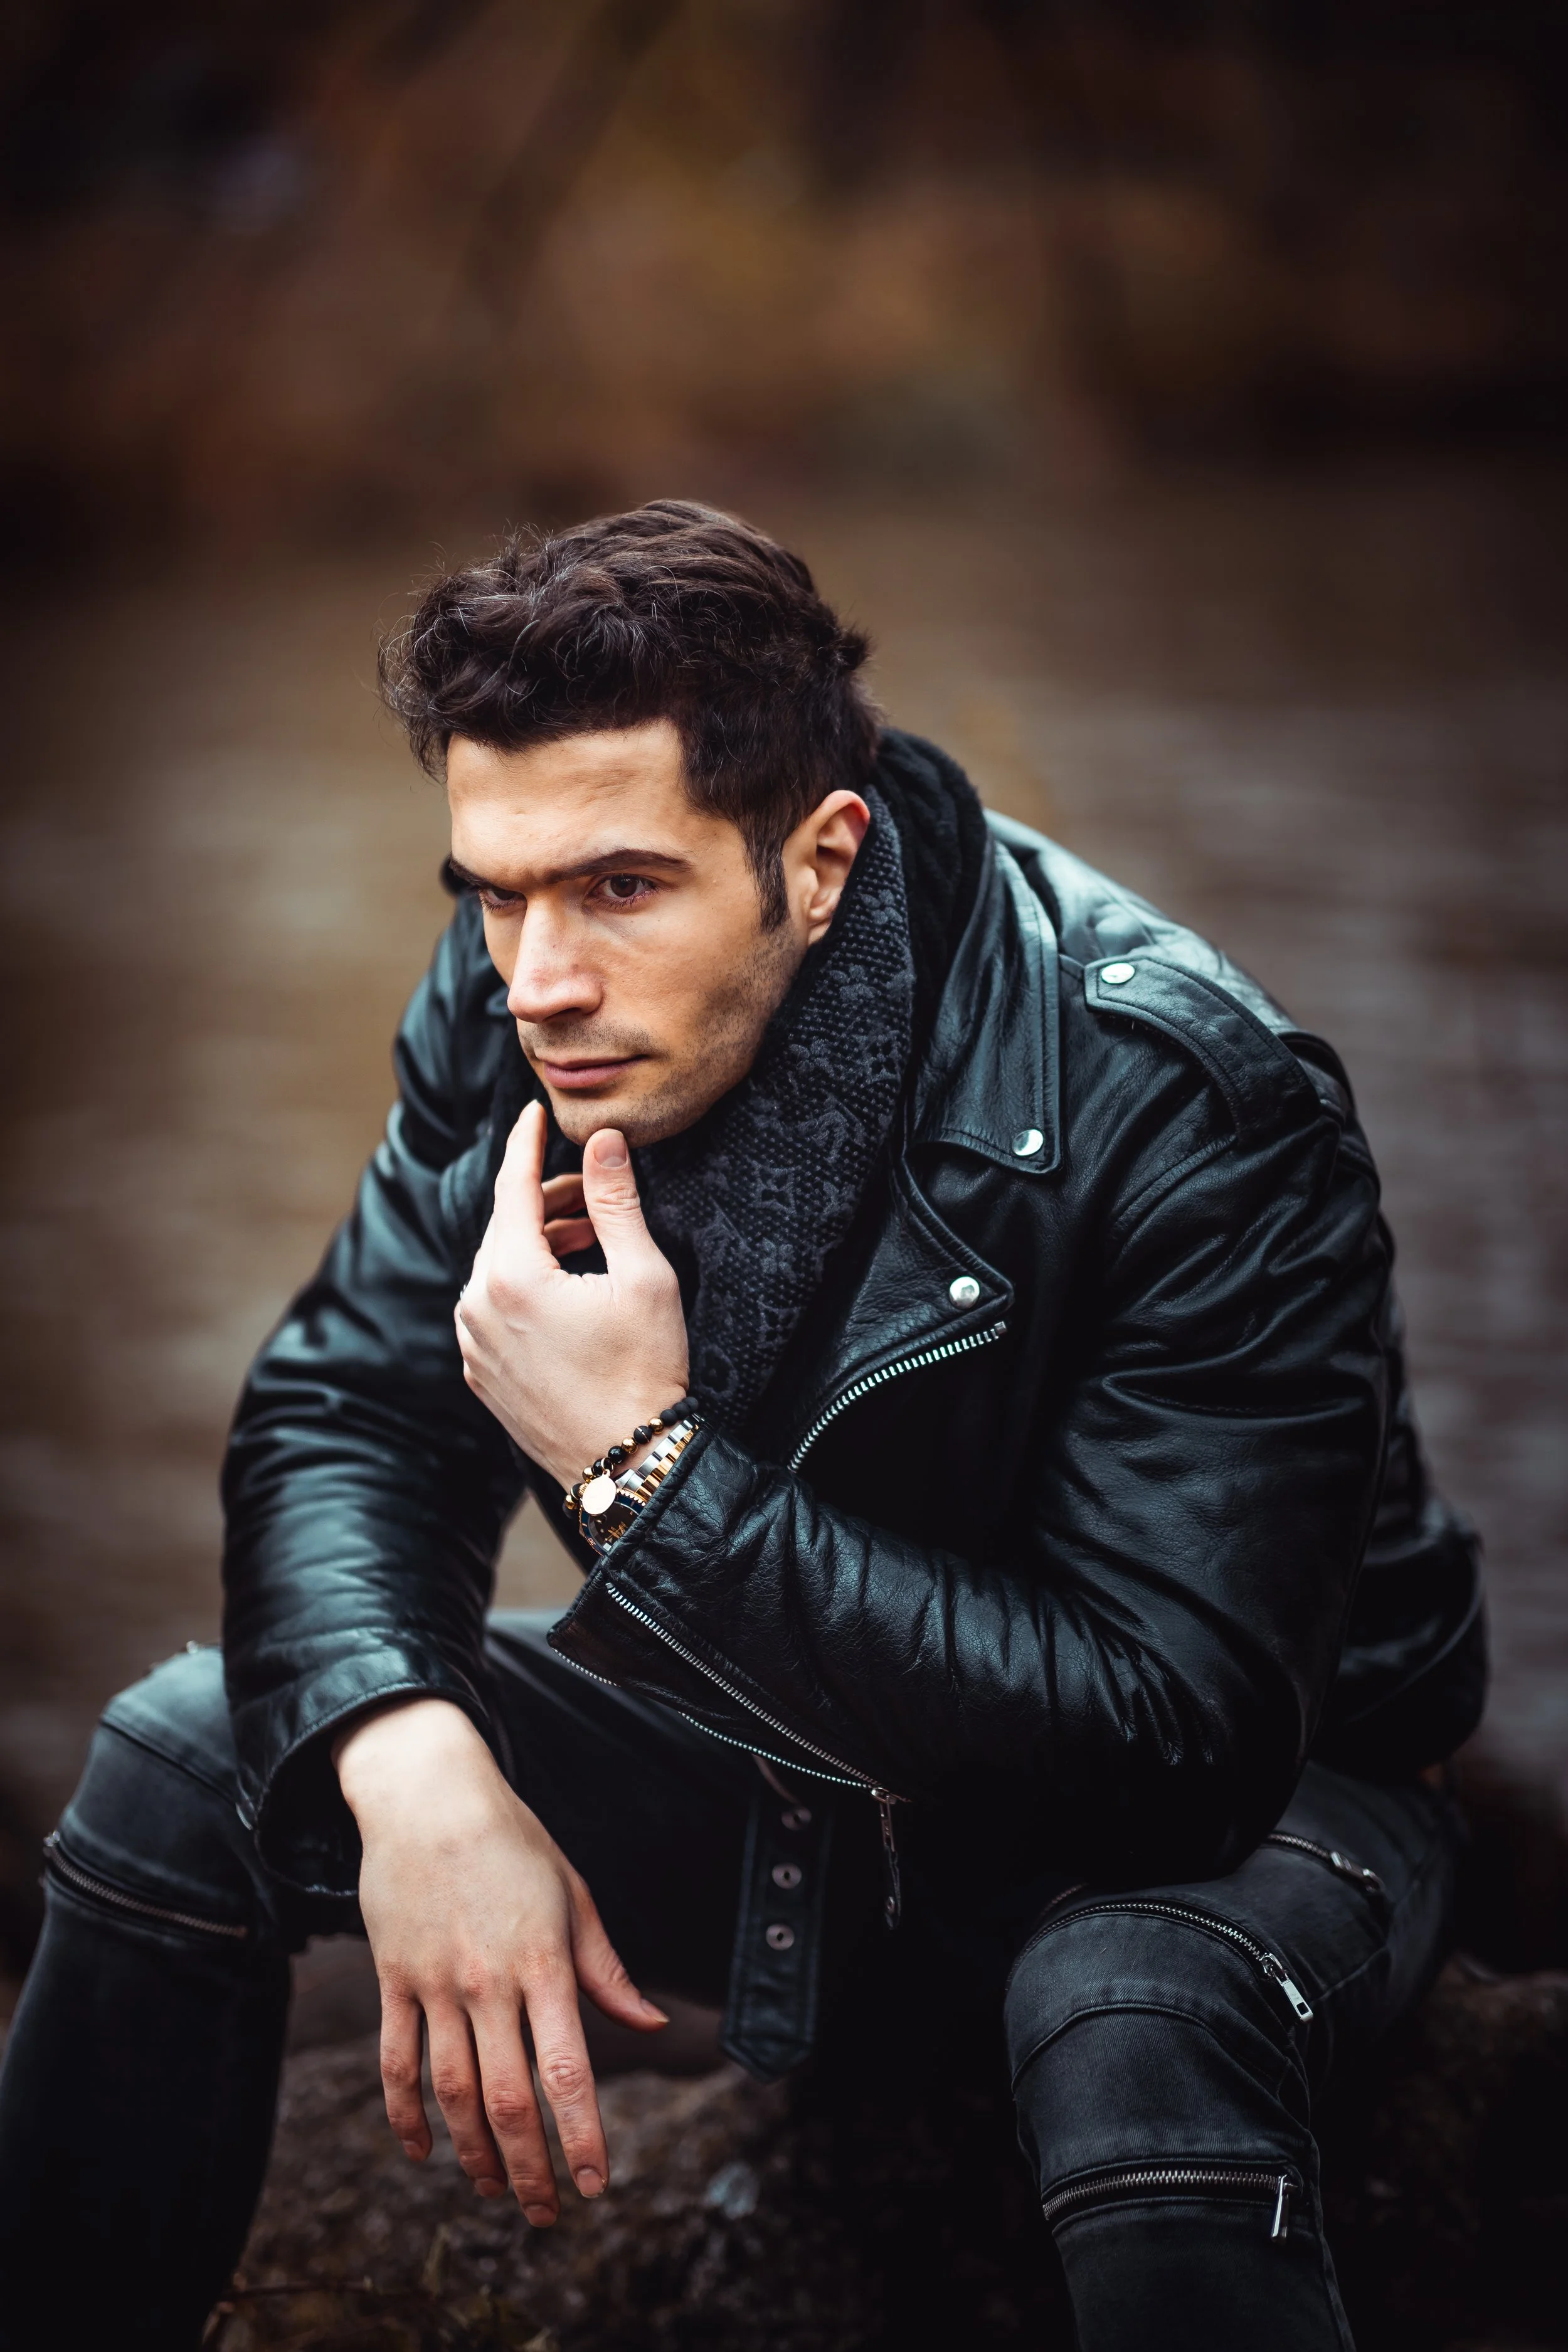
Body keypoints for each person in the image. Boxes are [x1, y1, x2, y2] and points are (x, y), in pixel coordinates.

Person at [0, 501, 1485, 2349]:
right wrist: (414, 1764)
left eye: (619, 885)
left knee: (1129, 2009)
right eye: (490, 886)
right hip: (792, 1752)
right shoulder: (521, 1020)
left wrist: (644, 1474)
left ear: (819, 858)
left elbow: (1173, 1739)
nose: (535, 973)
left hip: (1233, 1808)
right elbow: (342, 1411)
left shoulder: (1181, 1099)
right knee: (180, 1746)